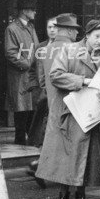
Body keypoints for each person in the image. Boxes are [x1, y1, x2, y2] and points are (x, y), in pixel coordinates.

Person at [36, 18, 100, 199]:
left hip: (91, 115)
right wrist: (83, 81)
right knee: (67, 161)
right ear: (87, 35)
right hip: (70, 114)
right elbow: (55, 75)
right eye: (97, 37)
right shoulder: (69, 51)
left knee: (84, 161)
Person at [4, 0, 39, 145]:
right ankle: (19, 141)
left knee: (30, 108)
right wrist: (27, 64)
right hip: (20, 75)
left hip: (31, 75)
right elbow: (10, 52)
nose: (35, 13)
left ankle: (30, 140)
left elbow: (36, 48)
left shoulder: (31, 27)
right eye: (33, 10)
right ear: (25, 11)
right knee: (21, 109)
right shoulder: (12, 29)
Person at [27, 17, 58, 151]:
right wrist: (35, 87)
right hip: (42, 92)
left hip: (57, 91)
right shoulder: (40, 47)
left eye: (55, 27)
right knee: (40, 124)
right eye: (49, 27)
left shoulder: (66, 47)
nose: (51, 30)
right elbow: (32, 68)